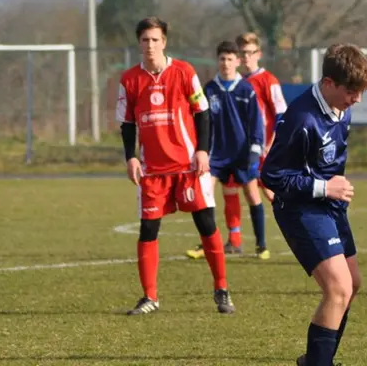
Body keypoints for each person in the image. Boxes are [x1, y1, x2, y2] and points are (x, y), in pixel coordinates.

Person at [261, 43, 367, 366]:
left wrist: (330, 190)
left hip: (329, 206)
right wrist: (324, 187)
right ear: (328, 84)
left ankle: (316, 360)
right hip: (299, 208)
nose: (357, 100)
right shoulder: (300, 118)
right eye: (352, 91)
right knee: (338, 289)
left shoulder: (342, 107)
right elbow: (272, 175)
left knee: (353, 284)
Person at [116, 16, 233, 316]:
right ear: (139, 43)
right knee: (148, 230)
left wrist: (203, 150)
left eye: (155, 40)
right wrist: (131, 156)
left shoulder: (183, 71)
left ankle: (221, 289)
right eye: (145, 40)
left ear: (164, 42)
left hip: (187, 167)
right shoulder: (129, 79)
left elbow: (202, 112)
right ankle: (149, 297)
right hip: (152, 170)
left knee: (206, 225)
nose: (150, 45)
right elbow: (127, 123)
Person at [185, 40, 268, 261]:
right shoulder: (209, 89)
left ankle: (261, 244)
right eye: (222, 59)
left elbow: (256, 123)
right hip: (216, 154)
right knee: (205, 194)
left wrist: (254, 149)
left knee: (252, 194)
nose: (226, 63)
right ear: (217, 61)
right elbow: (199, 121)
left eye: (230, 59)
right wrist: (199, 148)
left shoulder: (246, 89)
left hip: (242, 154)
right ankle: (207, 243)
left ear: (237, 62)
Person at [239, 31, 287, 202]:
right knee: (247, 189)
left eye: (250, 52)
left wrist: (271, 142)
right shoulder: (239, 81)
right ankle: (235, 230)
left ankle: (294, 220)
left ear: (258, 54)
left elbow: (281, 114)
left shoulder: (268, 80)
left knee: (268, 188)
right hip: (245, 145)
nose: (246, 57)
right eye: (243, 52)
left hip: (264, 145)